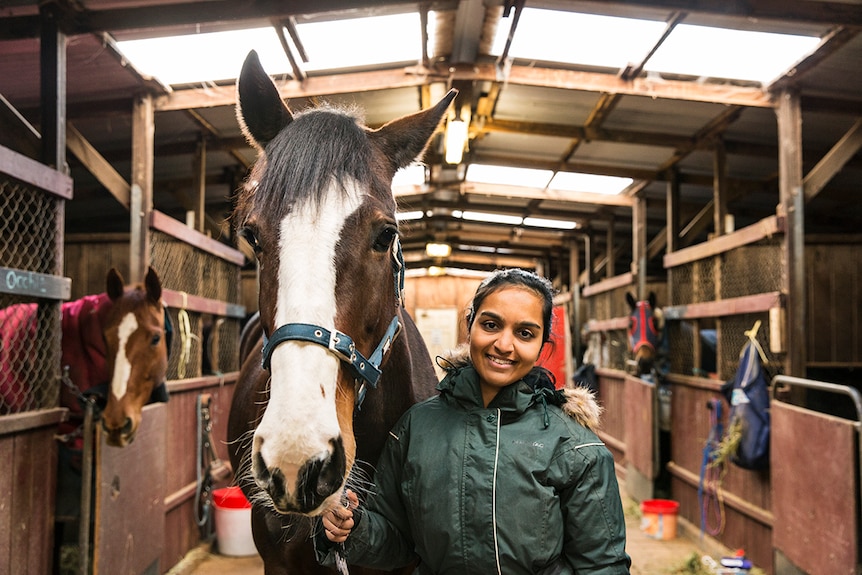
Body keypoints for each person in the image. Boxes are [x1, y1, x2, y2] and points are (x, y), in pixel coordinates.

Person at [317, 268, 631, 574]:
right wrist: (354, 527)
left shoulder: (574, 446)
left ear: (541, 345)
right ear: (470, 326)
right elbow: (398, 541)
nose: (504, 345)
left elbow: (602, 564)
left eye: (524, 333)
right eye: (491, 324)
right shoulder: (416, 427)